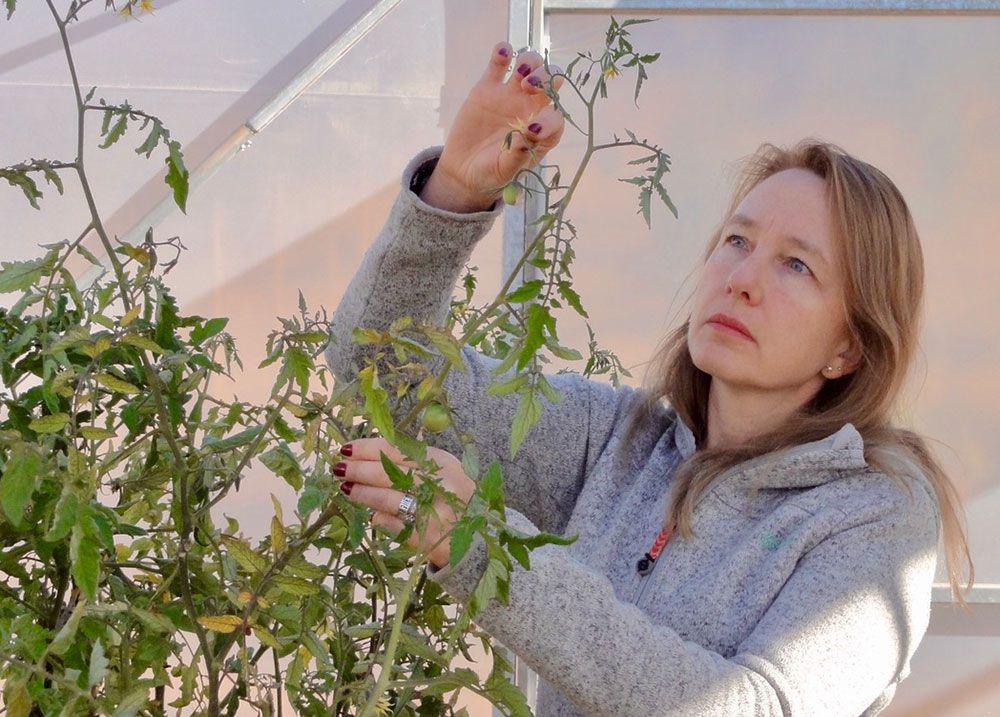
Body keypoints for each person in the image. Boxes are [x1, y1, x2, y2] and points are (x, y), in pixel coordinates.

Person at [323, 40, 974, 716]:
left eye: (796, 265)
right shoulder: (617, 441)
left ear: (850, 348)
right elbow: (382, 370)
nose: (742, 279)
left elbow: (755, 708)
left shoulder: (875, 514)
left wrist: (483, 548)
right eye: (738, 241)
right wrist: (455, 190)